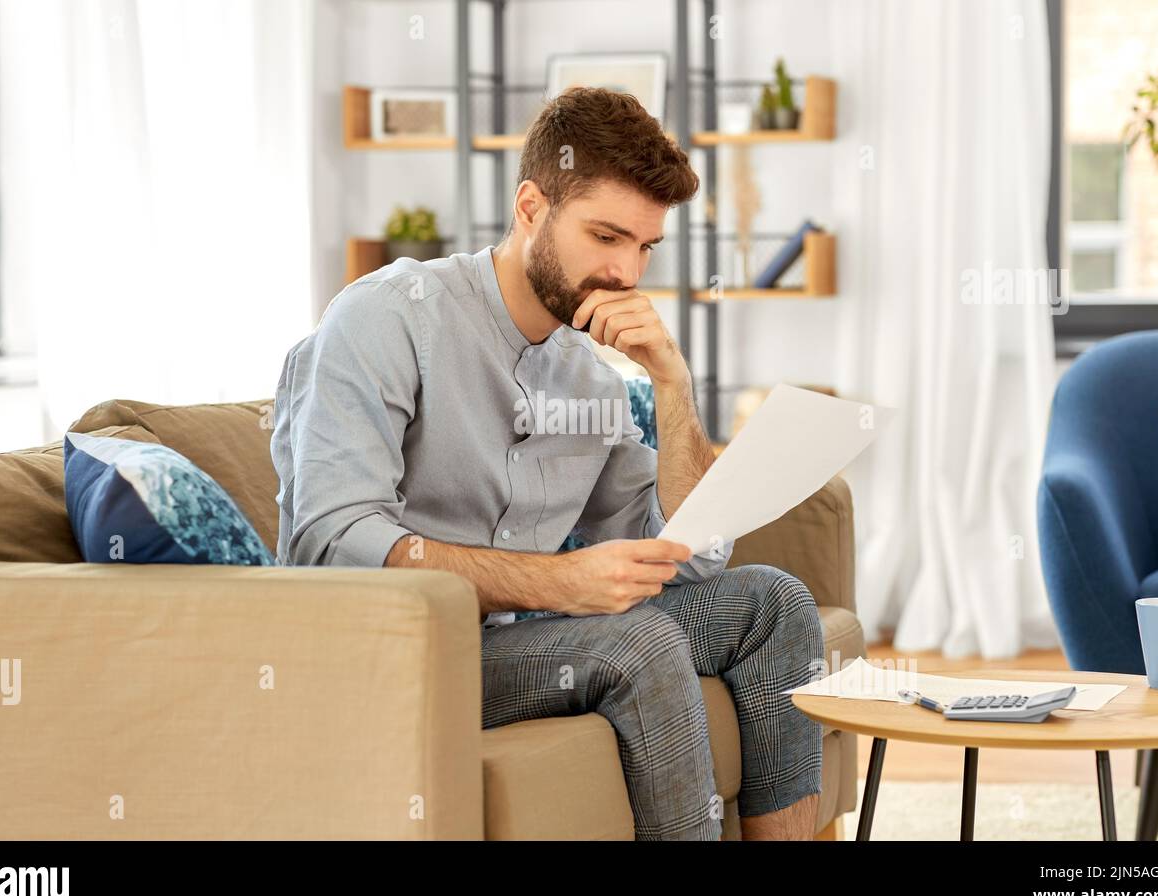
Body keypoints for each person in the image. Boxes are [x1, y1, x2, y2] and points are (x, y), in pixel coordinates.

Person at [270, 86, 823, 840]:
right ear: (532, 206)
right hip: (397, 651)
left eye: (644, 247)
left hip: (524, 642)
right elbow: (331, 543)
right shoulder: (389, 317)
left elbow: (691, 558)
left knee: (775, 604)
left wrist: (672, 387)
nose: (627, 272)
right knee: (639, 640)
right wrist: (558, 581)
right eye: (605, 236)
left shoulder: (592, 374)